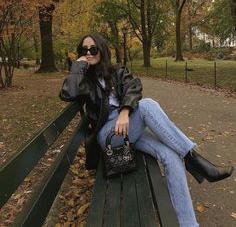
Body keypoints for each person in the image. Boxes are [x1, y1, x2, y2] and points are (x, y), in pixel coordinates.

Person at [59, 33, 234, 227]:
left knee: (170, 155)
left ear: (102, 50)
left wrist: (125, 111)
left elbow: (134, 87)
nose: (89, 53)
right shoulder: (83, 79)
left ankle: (188, 224)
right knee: (148, 105)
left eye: (93, 49)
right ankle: (195, 160)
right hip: (108, 136)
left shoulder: (116, 71)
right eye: (84, 50)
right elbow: (68, 93)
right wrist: (78, 66)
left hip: (128, 127)